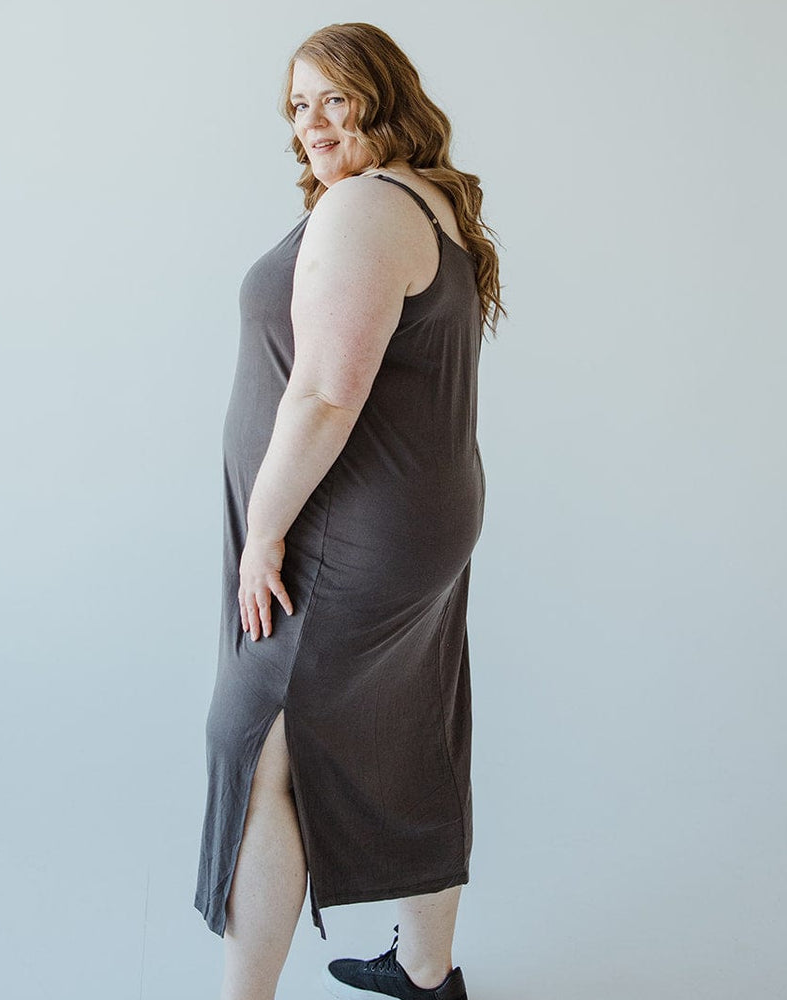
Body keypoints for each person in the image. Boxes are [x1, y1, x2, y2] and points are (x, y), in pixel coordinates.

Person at [194, 21, 505, 1000]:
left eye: (335, 97)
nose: (313, 122)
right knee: (412, 719)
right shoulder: (423, 201)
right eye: (298, 104)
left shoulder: (366, 207)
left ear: (384, 95)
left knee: (256, 749)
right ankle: (426, 969)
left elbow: (326, 393)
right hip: (412, 516)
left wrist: (268, 534)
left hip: (347, 528)